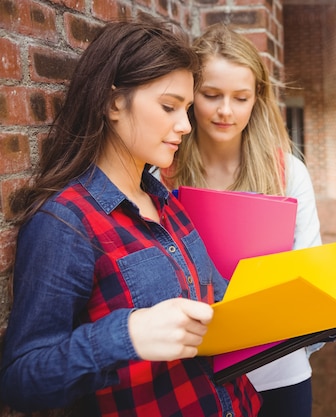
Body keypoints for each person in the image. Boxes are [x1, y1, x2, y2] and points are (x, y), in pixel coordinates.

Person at [0, 20, 265, 416]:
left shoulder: (166, 201)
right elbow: (21, 382)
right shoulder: (66, 224)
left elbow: (217, 300)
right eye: (169, 106)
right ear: (112, 104)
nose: (186, 125)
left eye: (187, 109)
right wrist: (126, 336)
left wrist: (324, 298)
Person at [163, 23, 336, 417]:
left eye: (241, 97)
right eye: (211, 95)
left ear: (258, 98)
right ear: (190, 95)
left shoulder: (289, 173)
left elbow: (309, 273)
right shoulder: (163, 172)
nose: (225, 111)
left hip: (279, 373)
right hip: (192, 377)